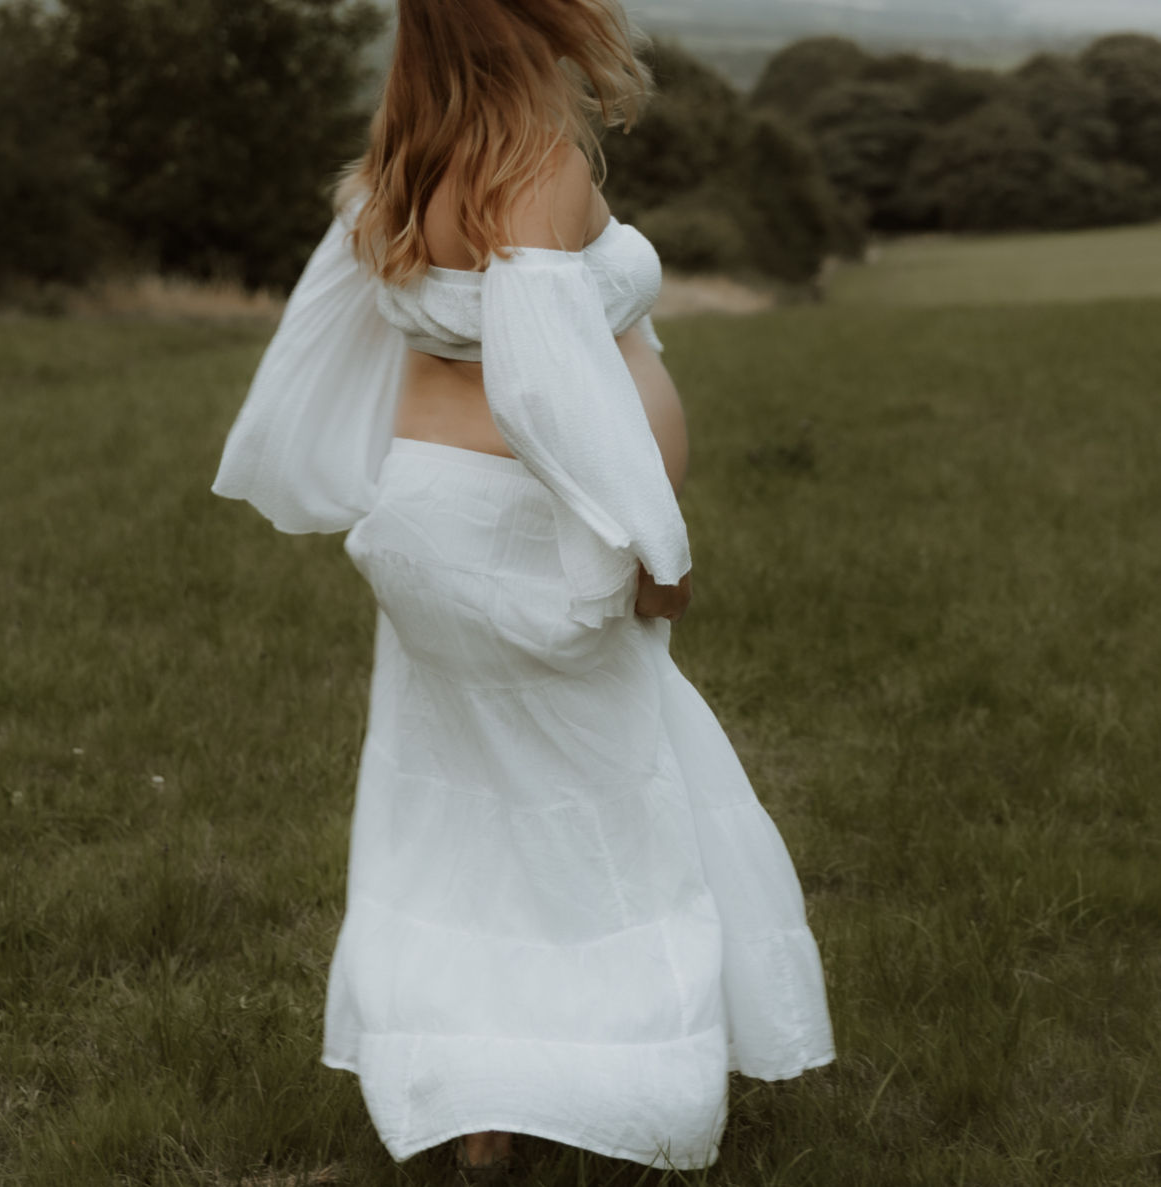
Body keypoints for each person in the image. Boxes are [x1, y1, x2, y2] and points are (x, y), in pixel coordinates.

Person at [213, 0, 834, 1178]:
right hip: (512, 531)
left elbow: (331, 330)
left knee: (458, 807)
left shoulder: (400, 165)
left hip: (424, 521)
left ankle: (478, 1093)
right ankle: (626, 1084)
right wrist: (654, 544)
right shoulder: (532, 162)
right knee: (612, 810)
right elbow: (544, 384)